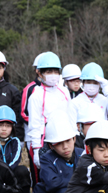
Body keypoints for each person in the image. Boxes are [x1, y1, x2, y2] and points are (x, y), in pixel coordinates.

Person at [27, 51, 70, 180]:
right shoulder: (36, 95)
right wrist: (36, 150)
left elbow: (70, 117)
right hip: (45, 142)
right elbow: (33, 125)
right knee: (46, 178)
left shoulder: (64, 91)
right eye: (48, 71)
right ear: (39, 73)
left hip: (64, 138)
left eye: (56, 71)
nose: (53, 75)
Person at [33, 115, 83, 193]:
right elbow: (53, 183)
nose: (65, 147)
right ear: (51, 146)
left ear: (74, 139)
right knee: (63, 192)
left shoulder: (82, 154)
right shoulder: (47, 158)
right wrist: (79, 182)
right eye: (59, 143)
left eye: (68, 141)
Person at [0, 105, 31, 193]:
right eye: (0, 125)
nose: (4, 129)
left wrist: (6, 173)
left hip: (11, 173)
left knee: (22, 170)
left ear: (12, 127)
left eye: (8, 126)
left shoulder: (15, 141)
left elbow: (16, 159)